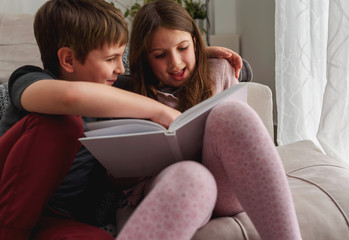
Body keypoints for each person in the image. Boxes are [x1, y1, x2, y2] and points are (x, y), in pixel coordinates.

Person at [0, 0, 243, 239]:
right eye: (110, 59)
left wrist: (199, 54)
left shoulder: (117, 90)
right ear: (68, 60)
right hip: (9, 202)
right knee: (62, 123)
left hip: (56, 218)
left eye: (121, 58)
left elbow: (154, 75)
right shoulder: (29, 79)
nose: (120, 68)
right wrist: (160, 112)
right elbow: (70, 96)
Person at [121, 0, 303, 239]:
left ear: (195, 42)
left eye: (183, 48)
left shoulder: (217, 70)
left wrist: (203, 54)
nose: (175, 62)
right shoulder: (130, 91)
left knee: (231, 114)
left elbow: (242, 72)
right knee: (193, 176)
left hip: (225, 184)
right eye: (160, 55)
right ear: (144, 57)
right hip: (175, 185)